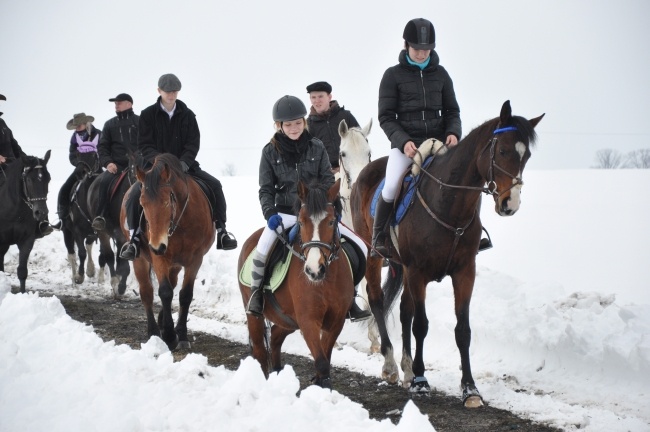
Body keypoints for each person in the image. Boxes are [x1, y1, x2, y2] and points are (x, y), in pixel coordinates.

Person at [246, 95, 371, 322]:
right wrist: (270, 214)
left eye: (297, 123)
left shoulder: (317, 147)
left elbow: (326, 180)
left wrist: (330, 207)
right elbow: (265, 189)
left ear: (304, 122)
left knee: (359, 246)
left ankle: (350, 298)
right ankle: (256, 295)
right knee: (263, 249)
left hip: (317, 213)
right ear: (279, 126)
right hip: (285, 213)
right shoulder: (269, 152)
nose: (293, 128)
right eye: (288, 124)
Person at [373, 18, 490, 257]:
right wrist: (403, 141)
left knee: (466, 179)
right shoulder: (392, 76)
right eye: (417, 49)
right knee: (393, 183)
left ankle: (473, 234)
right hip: (407, 145)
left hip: (439, 145)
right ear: (406, 45)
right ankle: (380, 237)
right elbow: (386, 117)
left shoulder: (442, 75)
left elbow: (452, 111)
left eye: (427, 49)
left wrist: (452, 133)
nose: (421, 53)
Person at [119, 73, 237, 260]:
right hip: (154, 168)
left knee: (215, 185)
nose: (171, 95)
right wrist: (159, 162)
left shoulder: (188, 115)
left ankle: (222, 230)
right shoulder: (148, 115)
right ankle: (133, 238)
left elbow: (193, 143)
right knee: (134, 193)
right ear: (159, 91)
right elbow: (144, 144)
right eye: (167, 91)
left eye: (174, 91)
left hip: (184, 166)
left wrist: (183, 163)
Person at [0, 94, 53, 235]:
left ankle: (41, 223)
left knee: (31, 183)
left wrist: (26, 158)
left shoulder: (3, 124)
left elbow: (14, 144)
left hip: (10, 165)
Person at [91, 93, 139, 231]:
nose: (116, 105)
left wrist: (141, 160)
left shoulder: (140, 121)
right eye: (115, 103)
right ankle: (101, 216)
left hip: (138, 165)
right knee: (104, 182)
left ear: (129, 104)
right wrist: (107, 163)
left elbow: (147, 144)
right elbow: (103, 147)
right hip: (117, 166)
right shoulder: (109, 124)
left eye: (119, 102)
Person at [51, 113, 102, 231]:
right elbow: (72, 155)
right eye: (76, 126)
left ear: (86, 124)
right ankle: (63, 218)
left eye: (79, 125)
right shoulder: (74, 138)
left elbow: (104, 149)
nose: (77, 128)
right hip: (81, 169)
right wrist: (79, 164)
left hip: (97, 168)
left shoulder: (98, 134)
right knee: (64, 188)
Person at [306, 81, 359, 172]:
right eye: (313, 97)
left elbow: (361, 140)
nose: (317, 101)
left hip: (351, 168)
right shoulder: (308, 124)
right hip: (327, 174)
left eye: (320, 96)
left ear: (329, 97)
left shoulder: (345, 116)